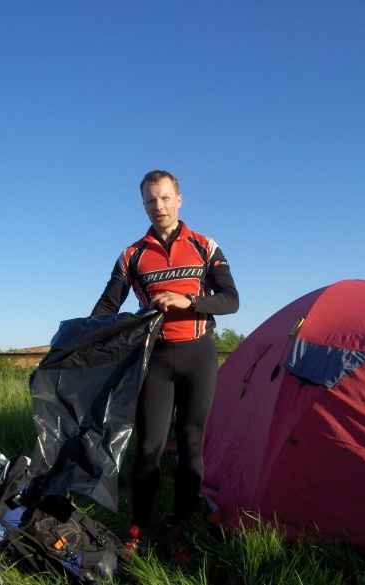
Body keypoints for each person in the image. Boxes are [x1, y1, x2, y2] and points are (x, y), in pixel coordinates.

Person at [91, 170, 239, 565]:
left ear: (179, 199)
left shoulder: (205, 246)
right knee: (149, 448)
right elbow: (106, 306)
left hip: (199, 356)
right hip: (154, 360)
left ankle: (180, 528)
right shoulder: (132, 255)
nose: (159, 206)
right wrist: (83, 338)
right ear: (143, 205)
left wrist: (188, 301)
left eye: (165, 197)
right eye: (151, 200)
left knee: (191, 444)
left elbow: (231, 299)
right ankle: (138, 527)